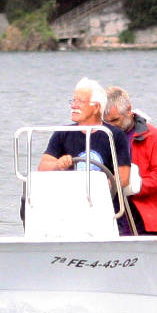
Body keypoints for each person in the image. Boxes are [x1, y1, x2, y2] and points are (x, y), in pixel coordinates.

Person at [24, 78, 132, 225]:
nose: (74, 106)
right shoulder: (63, 133)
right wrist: (57, 164)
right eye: (73, 101)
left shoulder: (114, 135)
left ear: (96, 107)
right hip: (67, 206)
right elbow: (43, 167)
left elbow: (123, 177)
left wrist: (98, 189)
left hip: (102, 208)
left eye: (80, 101)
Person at [103, 86, 157, 235]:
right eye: (107, 122)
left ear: (129, 110)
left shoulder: (156, 138)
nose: (112, 125)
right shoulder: (102, 135)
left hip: (145, 216)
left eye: (115, 120)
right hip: (111, 212)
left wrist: (135, 185)